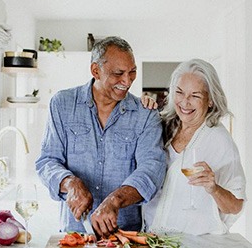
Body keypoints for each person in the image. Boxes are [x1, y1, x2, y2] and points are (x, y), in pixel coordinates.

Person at [35, 36, 166, 237]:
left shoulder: (146, 114)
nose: (127, 81)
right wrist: (70, 183)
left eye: (132, 72)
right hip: (74, 233)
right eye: (118, 73)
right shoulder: (62, 104)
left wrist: (115, 200)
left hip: (125, 235)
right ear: (95, 70)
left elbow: (151, 170)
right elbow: (47, 161)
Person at [142, 59, 246, 235]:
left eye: (195, 96)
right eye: (180, 93)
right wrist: (141, 109)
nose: (185, 102)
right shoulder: (162, 126)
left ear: (211, 100)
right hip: (151, 236)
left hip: (193, 244)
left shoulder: (219, 141)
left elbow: (235, 206)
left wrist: (214, 188)